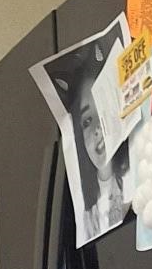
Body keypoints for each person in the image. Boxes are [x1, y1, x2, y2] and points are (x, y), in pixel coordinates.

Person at [46, 32, 130, 240]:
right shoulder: (89, 219)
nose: (97, 129)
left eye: (102, 109)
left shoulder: (135, 180)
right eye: (86, 121)